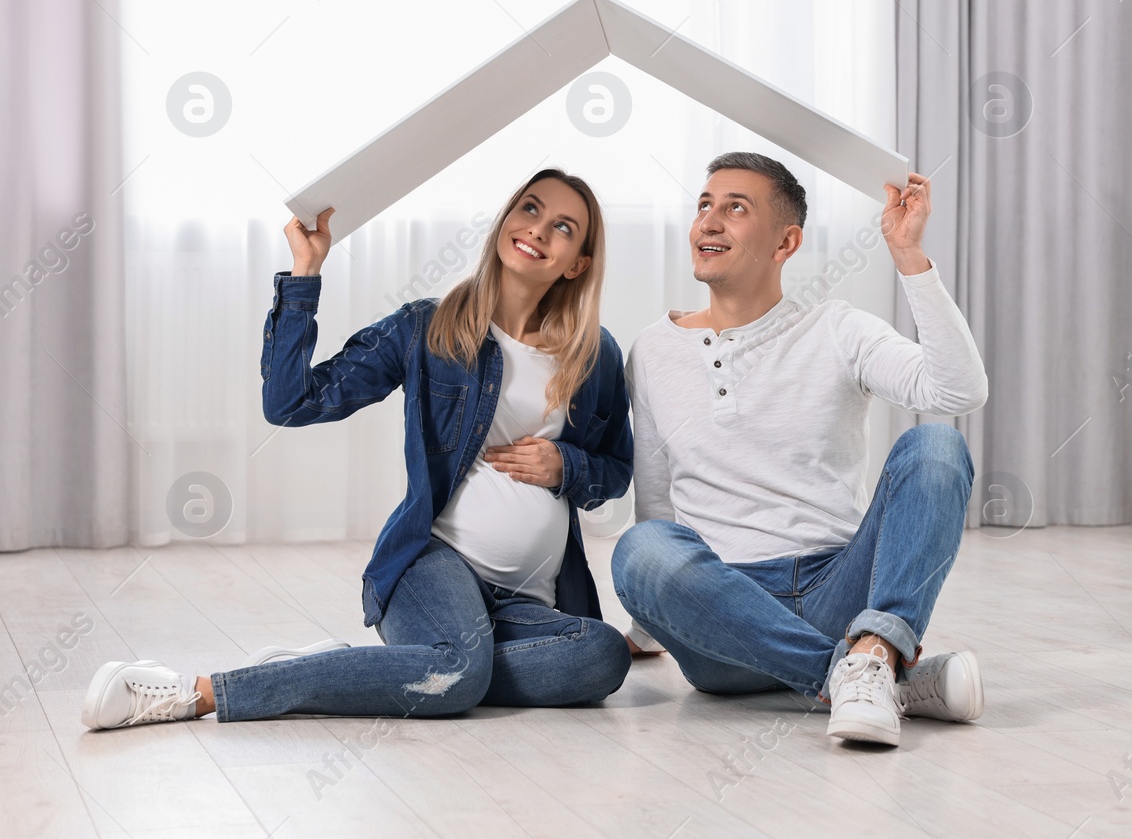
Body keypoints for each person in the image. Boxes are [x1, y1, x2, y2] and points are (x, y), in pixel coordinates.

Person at [83, 169, 634, 730]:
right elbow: (292, 403)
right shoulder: (428, 326)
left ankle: (380, 671)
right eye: (531, 209)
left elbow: (615, 472)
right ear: (505, 222)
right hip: (432, 565)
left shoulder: (594, 355)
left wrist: (567, 464)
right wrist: (305, 273)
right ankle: (198, 692)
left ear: (578, 263)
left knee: (602, 656)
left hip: (528, 601)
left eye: (563, 227)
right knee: (458, 675)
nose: (538, 229)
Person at [611, 152, 988, 748]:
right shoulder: (653, 350)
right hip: (724, 621)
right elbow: (656, 497)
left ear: (786, 242)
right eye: (705, 205)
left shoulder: (838, 329)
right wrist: (650, 622)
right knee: (640, 548)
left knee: (937, 445)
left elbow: (958, 391)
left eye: (736, 208)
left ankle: (871, 651)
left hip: (838, 587)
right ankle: (875, 672)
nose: (709, 221)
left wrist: (909, 257)